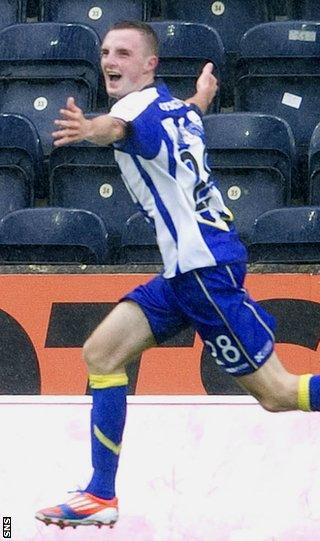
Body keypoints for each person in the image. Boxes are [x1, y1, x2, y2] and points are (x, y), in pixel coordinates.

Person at [35, 20, 319, 529]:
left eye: (123, 52)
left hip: (204, 269)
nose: (109, 60)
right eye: (104, 51)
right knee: (101, 353)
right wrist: (202, 96)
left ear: (150, 64)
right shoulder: (176, 108)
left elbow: (119, 128)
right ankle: (100, 494)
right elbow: (177, 118)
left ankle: (101, 492)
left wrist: (88, 130)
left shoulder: (129, 111)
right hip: (184, 270)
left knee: (278, 394)